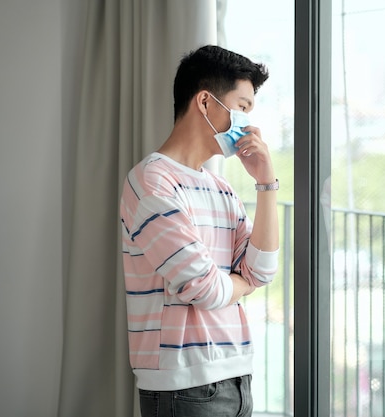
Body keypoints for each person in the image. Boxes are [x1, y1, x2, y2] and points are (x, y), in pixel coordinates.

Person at [119, 45, 279, 417]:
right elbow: (205, 289)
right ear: (205, 103)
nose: (247, 124)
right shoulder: (152, 182)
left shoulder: (221, 188)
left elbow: (262, 270)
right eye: (241, 108)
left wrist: (266, 183)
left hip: (238, 377)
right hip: (184, 388)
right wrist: (241, 285)